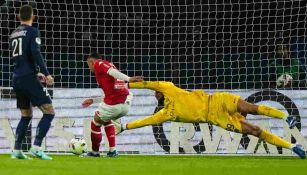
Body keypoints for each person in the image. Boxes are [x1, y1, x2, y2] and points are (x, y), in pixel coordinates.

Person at [120, 81, 305, 159]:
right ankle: (293, 147)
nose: (154, 94)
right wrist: (125, 126)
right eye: (154, 94)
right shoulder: (166, 114)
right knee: (254, 131)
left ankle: (286, 116)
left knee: (250, 108)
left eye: (155, 92)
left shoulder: (168, 88)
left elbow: (146, 84)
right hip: (216, 119)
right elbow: (146, 121)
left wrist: (127, 84)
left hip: (216, 100)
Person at [10, 5, 55, 160]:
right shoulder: (33, 31)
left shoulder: (14, 33)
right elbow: (35, 53)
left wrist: (37, 73)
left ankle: (16, 150)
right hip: (28, 77)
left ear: (18, 17)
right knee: (49, 112)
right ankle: (36, 147)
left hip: (17, 78)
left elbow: (22, 58)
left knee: (26, 115)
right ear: (33, 16)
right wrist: (47, 74)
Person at [82, 52, 143, 157]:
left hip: (115, 104)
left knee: (96, 122)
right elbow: (114, 91)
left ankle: (95, 152)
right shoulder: (109, 67)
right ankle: (112, 151)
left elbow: (112, 72)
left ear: (91, 62)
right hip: (125, 104)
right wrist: (93, 100)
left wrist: (129, 79)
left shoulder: (99, 64)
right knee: (105, 119)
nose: (90, 68)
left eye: (88, 65)